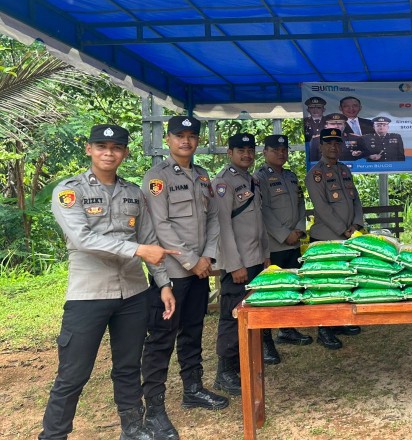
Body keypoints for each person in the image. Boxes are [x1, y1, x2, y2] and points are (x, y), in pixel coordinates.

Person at [39, 124, 178, 440]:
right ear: (89, 149)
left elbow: (149, 239)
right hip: (89, 294)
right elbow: (82, 238)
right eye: (101, 146)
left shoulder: (133, 193)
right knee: (73, 374)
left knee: (128, 367)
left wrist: (164, 283)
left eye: (116, 147)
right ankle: (53, 435)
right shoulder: (70, 191)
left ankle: (132, 428)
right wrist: (138, 249)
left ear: (125, 153)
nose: (108, 152)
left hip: (133, 292)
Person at [141, 115, 227, 440]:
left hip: (200, 270)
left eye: (192, 136)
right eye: (180, 135)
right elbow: (160, 227)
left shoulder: (203, 176)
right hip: (173, 275)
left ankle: (193, 389)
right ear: (168, 138)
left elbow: (214, 220)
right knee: (162, 339)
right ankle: (154, 409)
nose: (186, 141)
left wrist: (207, 258)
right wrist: (192, 261)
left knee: (192, 331)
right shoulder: (156, 178)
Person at [212, 132, 273, 398]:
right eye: (240, 150)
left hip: (256, 258)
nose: (246, 154)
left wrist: (266, 254)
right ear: (230, 152)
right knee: (231, 317)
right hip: (238, 264)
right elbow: (223, 226)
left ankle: (240, 364)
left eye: (250, 150)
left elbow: (258, 222)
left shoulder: (252, 179)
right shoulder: (223, 182)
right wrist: (235, 264)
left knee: (250, 313)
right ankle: (224, 372)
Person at [306, 127, 365, 349]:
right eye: (328, 143)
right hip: (327, 239)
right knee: (325, 284)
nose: (333, 147)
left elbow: (356, 200)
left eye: (336, 143)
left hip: (348, 236)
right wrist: (344, 229)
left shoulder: (343, 170)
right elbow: (321, 208)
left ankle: (339, 322)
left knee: (342, 281)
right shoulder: (315, 174)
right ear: (320, 146)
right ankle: (324, 329)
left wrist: (357, 224)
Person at [255, 134, 313, 348]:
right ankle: (265, 340)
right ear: (265, 152)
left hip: (294, 241)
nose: (281, 153)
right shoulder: (259, 177)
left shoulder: (291, 176)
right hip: (274, 244)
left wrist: (298, 229)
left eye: (284, 150)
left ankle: (287, 329)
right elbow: (263, 210)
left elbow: (300, 204)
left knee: (290, 287)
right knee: (271, 291)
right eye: (275, 150)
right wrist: (283, 234)